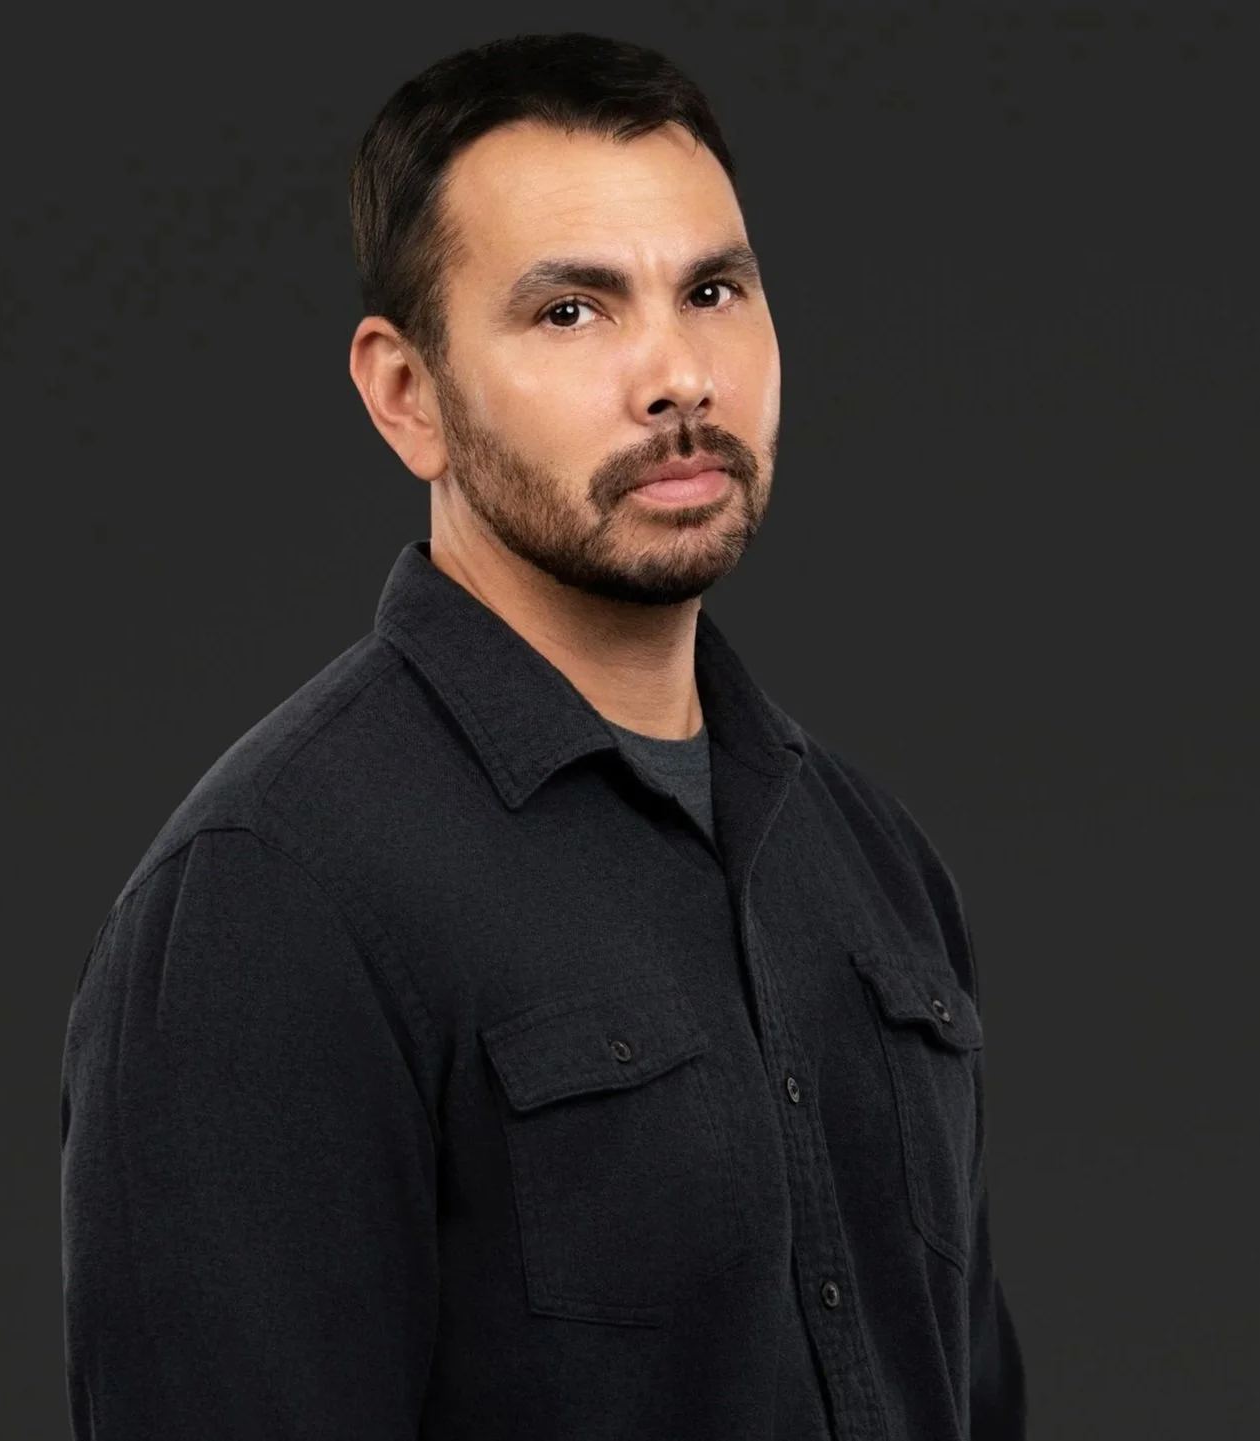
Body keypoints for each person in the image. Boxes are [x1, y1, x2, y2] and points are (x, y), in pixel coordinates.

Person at [60, 31, 1027, 1440]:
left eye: (712, 290)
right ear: (408, 395)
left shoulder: (871, 861)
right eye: (572, 311)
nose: (676, 375)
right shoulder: (271, 895)